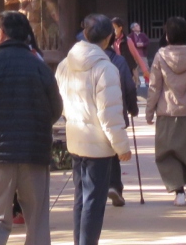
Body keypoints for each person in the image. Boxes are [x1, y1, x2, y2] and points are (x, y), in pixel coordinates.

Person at [0, 9, 63, 245]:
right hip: (34, 152)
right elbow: (56, 108)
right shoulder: (39, 65)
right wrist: (37, 128)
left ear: (2, 33)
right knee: (37, 219)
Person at [56, 14, 133, 245]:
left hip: (76, 139)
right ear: (109, 37)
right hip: (98, 146)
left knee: (81, 198)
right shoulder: (105, 69)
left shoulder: (64, 64)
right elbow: (109, 115)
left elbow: (59, 102)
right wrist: (122, 146)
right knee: (93, 203)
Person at [145, 16, 186, 206]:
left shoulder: (160, 56)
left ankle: (179, 191)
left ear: (168, 36)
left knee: (168, 153)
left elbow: (154, 87)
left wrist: (149, 112)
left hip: (167, 112)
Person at [105, 24, 139, 208]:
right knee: (112, 152)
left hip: (88, 117)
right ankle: (114, 186)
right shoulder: (118, 62)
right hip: (115, 113)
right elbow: (129, 87)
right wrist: (133, 108)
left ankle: (95, 189)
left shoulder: (81, 61)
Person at [111, 17, 148, 97]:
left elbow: (136, 55)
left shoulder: (128, 40)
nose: (113, 31)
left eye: (115, 28)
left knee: (129, 92)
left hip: (128, 69)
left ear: (120, 28)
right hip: (115, 70)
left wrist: (145, 70)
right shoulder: (111, 41)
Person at [127, 23, 150, 91]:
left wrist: (143, 44)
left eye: (138, 25)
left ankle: (147, 82)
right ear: (133, 29)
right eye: (136, 26)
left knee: (146, 68)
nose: (139, 26)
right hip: (134, 55)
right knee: (135, 70)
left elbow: (148, 41)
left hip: (142, 55)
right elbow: (129, 44)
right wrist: (136, 45)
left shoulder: (143, 35)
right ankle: (137, 83)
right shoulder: (130, 36)